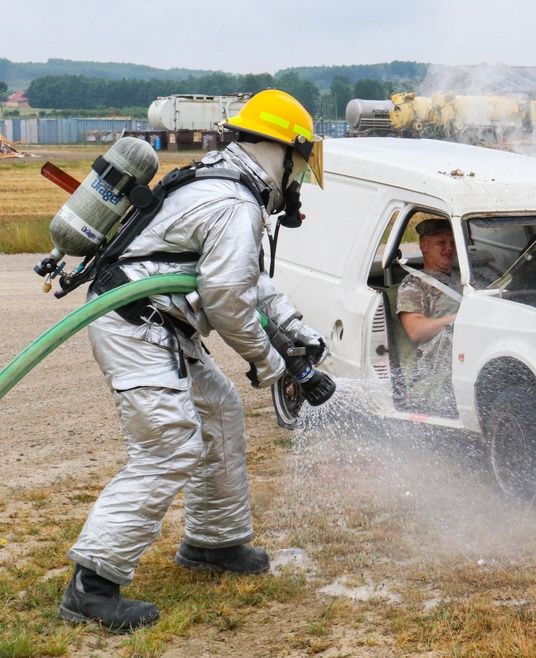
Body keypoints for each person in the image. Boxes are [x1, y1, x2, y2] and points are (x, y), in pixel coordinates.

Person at [59, 89, 329, 632]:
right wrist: (272, 365)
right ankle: (91, 587)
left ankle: (215, 543)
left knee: (220, 413)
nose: (298, 178)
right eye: (299, 162)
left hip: (161, 324)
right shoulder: (235, 201)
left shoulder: (225, 185)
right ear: (281, 151)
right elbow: (230, 301)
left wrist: (298, 331)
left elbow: (246, 277)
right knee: (169, 441)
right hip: (137, 325)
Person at [395, 218, 462, 408]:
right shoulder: (415, 284)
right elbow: (415, 329)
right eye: (441, 242)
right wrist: (459, 320)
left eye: (452, 243)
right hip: (440, 361)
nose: (449, 248)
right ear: (423, 246)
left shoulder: (466, 279)